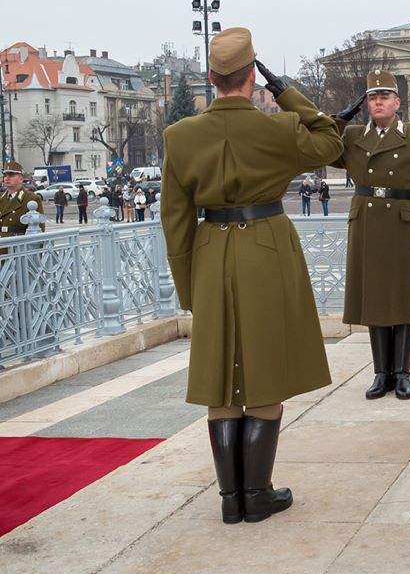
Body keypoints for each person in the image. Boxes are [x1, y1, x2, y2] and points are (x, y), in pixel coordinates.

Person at [160, 27, 345, 524]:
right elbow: (331, 140)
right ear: (252, 76)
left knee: (221, 375)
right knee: (265, 368)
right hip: (266, 247)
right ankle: (258, 494)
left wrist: (189, 287)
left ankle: (230, 498)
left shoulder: (179, 136)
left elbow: (175, 219)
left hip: (209, 253)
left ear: (211, 77)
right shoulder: (279, 129)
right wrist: (285, 91)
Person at [332, 69, 410, 401]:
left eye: (384, 97)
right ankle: (382, 373)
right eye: (372, 98)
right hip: (367, 223)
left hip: (403, 223)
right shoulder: (353, 136)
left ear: (397, 102)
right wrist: (340, 119)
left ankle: (403, 374)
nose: (377, 102)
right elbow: (321, 150)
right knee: (376, 298)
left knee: (404, 299)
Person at [1, 161, 45, 253]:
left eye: (11, 175)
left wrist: (34, 255)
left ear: (21, 179)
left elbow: (39, 229)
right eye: (5, 175)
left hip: (18, 249)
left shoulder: (31, 198)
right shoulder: (1, 198)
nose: (7, 178)